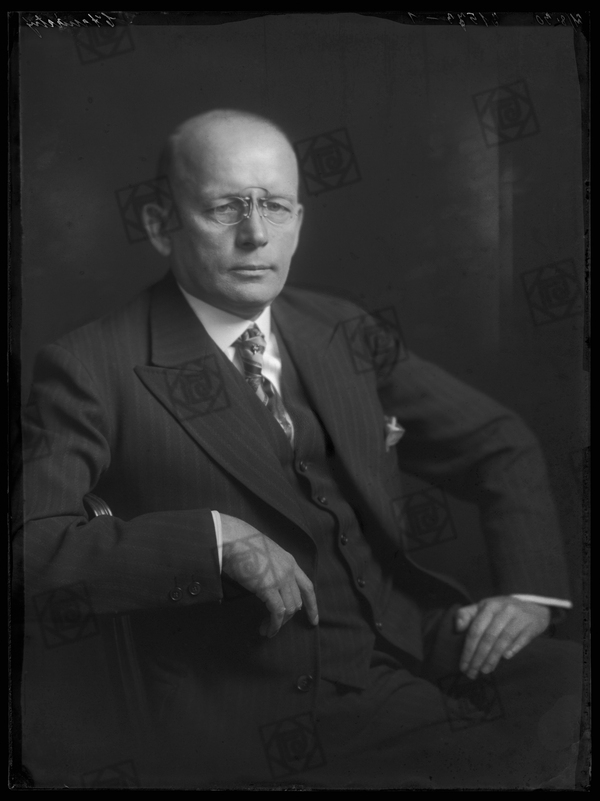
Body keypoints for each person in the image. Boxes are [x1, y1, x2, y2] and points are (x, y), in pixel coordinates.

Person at [18, 109, 581, 789]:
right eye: (225, 207)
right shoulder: (90, 365)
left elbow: (498, 442)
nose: (256, 234)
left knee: (570, 686)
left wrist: (527, 593)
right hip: (271, 702)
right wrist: (212, 542)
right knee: (526, 762)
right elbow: (32, 548)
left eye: (276, 207)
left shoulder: (337, 328)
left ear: (299, 220)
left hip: (415, 636)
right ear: (161, 224)